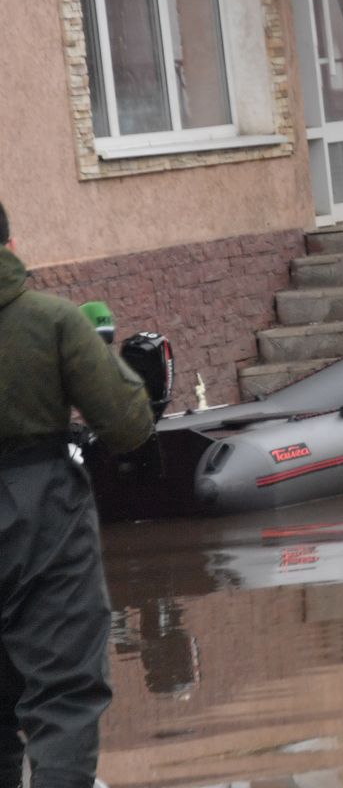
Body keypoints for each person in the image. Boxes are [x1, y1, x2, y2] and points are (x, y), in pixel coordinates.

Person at [0, 201, 155, 788]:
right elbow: (124, 420)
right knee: (62, 695)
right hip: (39, 512)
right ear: (10, 246)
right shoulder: (52, 321)